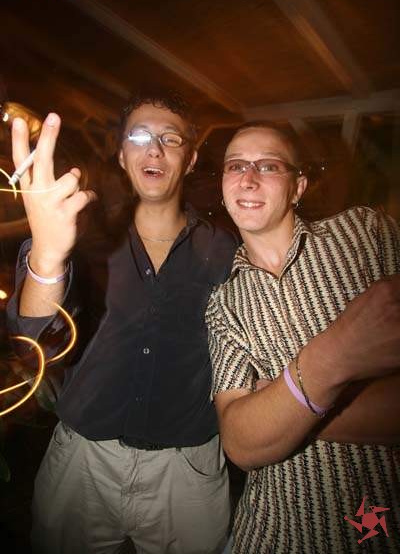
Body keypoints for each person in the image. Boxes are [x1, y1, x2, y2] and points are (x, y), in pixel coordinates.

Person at [7, 89, 238, 554]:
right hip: (83, 462)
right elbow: (33, 336)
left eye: (171, 139)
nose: (154, 149)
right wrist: (48, 255)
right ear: (121, 154)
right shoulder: (79, 233)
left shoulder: (227, 249)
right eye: (139, 136)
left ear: (190, 159)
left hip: (187, 470)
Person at [205, 123, 400, 553]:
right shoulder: (224, 301)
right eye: (235, 166)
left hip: (378, 530)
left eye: (268, 166)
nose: (248, 178)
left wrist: (281, 403)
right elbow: (240, 441)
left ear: (298, 187)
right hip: (272, 534)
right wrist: (338, 360)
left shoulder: (364, 234)